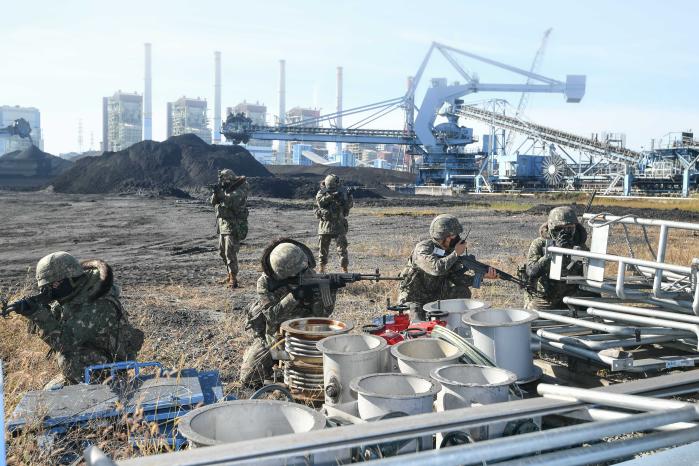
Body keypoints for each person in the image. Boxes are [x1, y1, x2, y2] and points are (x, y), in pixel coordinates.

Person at [4, 252, 143, 388]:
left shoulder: (95, 303)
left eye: (53, 285)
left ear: (70, 279)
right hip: (97, 354)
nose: (50, 291)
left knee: (69, 359)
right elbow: (55, 324)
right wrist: (32, 309)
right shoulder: (73, 295)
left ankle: (96, 392)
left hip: (113, 365)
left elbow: (65, 343)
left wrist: (38, 314)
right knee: (50, 389)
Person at [239, 238, 336, 387]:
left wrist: (329, 291)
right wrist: (295, 296)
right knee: (248, 377)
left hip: (305, 338)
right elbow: (272, 315)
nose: (303, 274)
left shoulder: (308, 274)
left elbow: (323, 316)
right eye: (296, 275)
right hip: (274, 338)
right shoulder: (265, 283)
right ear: (282, 273)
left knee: (325, 376)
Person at [398, 214, 498, 310]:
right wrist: (455, 254)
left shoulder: (448, 251)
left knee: (462, 292)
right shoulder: (423, 248)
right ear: (443, 236)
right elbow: (436, 269)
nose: (457, 238)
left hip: (437, 296)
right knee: (416, 321)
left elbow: (457, 279)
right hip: (415, 298)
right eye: (454, 235)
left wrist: (482, 276)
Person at [523, 206, 588, 310]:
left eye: (569, 229)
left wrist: (577, 254)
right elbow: (531, 271)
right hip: (546, 297)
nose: (564, 233)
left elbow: (589, 273)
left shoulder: (580, 246)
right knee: (533, 313)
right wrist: (552, 252)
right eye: (559, 229)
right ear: (551, 228)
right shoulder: (539, 244)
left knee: (595, 309)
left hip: (573, 295)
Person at [210, 169, 249, 288]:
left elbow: (231, 202)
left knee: (230, 252)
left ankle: (234, 278)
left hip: (233, 225)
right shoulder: (225, 189)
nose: (223, 182)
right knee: (222, 252)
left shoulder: (240, 190)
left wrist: (221, 194)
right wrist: (216, 192)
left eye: (224, 180)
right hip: (223, 224)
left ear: (230, 179)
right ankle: (229, 274)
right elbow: (213, 202)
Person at [315, 174, 353, 273]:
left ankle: (344, 270)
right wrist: (331, 196)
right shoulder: (322, 193)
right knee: (322, 250)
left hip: (338, 225)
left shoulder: (342, 192)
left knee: (342, 250)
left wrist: (348, 196)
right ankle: (322, 269)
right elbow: (320, 203)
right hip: (325, 226)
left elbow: (348, 207)